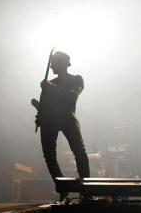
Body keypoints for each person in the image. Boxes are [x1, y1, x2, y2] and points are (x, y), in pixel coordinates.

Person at [31, 51, 90, 204]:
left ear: (62, 63)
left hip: (67, 118)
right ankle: (64, 192)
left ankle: (87, 191)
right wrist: (38, 107)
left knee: (79, 151)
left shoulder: (76, 79)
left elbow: (73, 95)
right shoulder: (50, 83)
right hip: (49, 121)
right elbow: (46, 108)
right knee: (49, 156)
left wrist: (50, 88)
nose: (51, 66)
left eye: (53, 63)